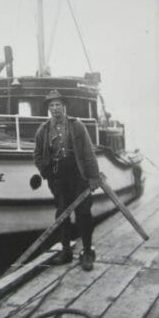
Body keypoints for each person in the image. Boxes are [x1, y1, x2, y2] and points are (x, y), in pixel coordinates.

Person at [33, 90, 101, 271]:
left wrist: (93, 177)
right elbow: (37, 155)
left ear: (64, 107)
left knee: (84, 214)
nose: (55, 109)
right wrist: (47, 173)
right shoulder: (43, 130)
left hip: (79, 177)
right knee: (62, 214)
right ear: (49, 109)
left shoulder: (77, 126)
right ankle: (66, 251)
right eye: (51, 106)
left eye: (58, 105)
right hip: (59, 179)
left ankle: (87, 252)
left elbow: (88, 153)